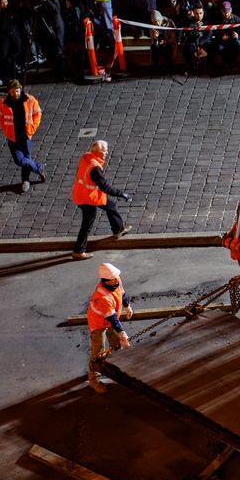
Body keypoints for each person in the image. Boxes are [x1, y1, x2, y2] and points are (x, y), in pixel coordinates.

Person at [71, 140, 133, 261]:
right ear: (96, 152)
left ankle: (118, 230)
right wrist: (121, 194)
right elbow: (105, 187)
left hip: (81, 192)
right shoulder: (95, 168)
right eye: (103, 151)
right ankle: (78, 251)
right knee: (87, 222)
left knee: (110, 204)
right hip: (87, 198)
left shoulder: (86, 157)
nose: (106, 153)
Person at [83, 262, 133, 393]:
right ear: (106, 281)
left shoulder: (115, 280)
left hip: (110, 318)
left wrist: (127, 306)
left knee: (117, 344)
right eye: (113, 279)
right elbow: (112, 319)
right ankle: (94, 379)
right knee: (98, 351)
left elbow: (122, 293)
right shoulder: (102, 297)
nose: (117, 280)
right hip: (98, 323)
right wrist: (122, 332)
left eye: (117, 277)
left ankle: (114, 369)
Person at [0, 80, 45, 193]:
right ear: (9, 92)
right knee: (20, 160)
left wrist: (33, 127)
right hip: (13, 137)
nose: (15, 94)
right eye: (12, 92)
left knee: (26, 158)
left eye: (17, 91)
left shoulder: (30, 100)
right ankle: (38, 167)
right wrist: (5, 130)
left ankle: (25, 181)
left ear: (20, 89)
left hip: (26, 136)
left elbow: (38, 113)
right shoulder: (3, 102)